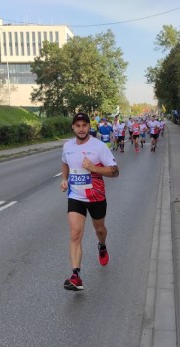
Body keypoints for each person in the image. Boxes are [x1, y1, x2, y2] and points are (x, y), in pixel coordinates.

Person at [60, 112, 120, 291]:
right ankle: (75, 276)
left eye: (84, 125)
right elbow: (65, 163)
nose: (81, 129)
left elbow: (115, 171)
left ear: (89, 127)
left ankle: (102, 245)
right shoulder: (67, 146)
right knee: (75, 234)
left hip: (95, 196)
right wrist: (64, 179)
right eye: (77, 125)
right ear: (73, 127)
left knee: (99, 230)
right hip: (75, 196)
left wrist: (93, 168)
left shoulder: (99, 146)